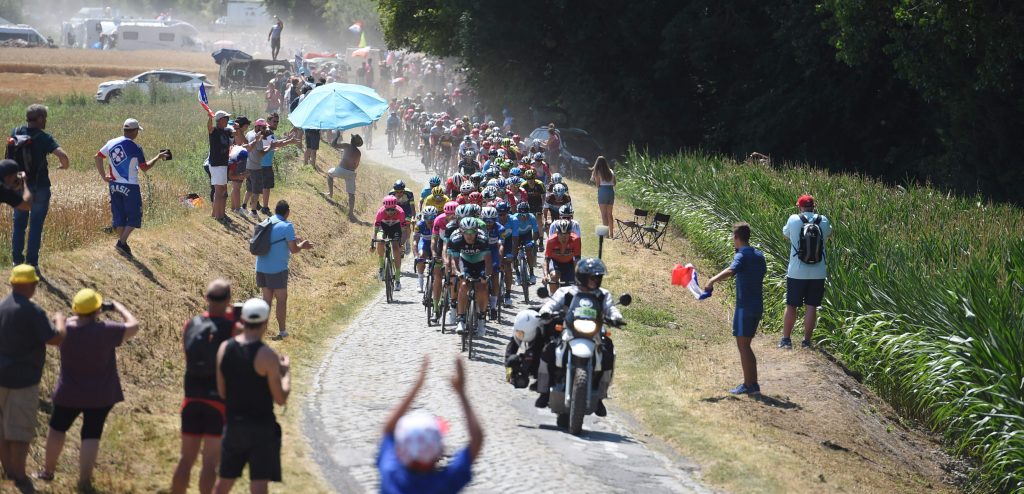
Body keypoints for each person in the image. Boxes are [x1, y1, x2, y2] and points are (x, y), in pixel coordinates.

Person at [38, 289, 139, 487]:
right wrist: (119, 307)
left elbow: (49, 333)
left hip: (69, 392)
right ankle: (84, 480)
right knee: (92, 433)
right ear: (97, 310)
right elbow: (134, 326)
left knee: (57, 428)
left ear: (75, 309)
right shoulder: (107, 330)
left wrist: (60, 318)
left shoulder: (65, 329)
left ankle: (47, 471)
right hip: (100, 394)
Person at [213, 298, 290, 493]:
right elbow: (281, 399)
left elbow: (222, 392)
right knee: (258, 485)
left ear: (243, 320)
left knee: (223, 482)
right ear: (265, 323)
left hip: (234, 425)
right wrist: (286, 375)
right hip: (261, 428)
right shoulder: (267, 356)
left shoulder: (224, 349)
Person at [0, 265, 66, 487]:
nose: (37, 287)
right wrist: (60, 322)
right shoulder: (32, 311)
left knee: (2, 427)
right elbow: (54, 339)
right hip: (23, 380)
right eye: (36, 284)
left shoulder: (1, 307)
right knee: (19, 430)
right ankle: (19, 476)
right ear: (27, 285)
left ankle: (8, 471)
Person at [171, 279, 239, 494]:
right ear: (228, 300)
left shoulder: (191, 324)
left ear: (206, 298)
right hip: (217, 402)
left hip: (191, 397)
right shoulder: (233, 328)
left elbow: (187, 356)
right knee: (210, 463)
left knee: (185, 460)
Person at [378, 356, 482, 494]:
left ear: (400, 449)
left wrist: (417, 385)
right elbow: (477, 439)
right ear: (439, 451)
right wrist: (461, 392)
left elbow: (387, 430)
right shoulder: (444, 484)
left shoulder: (390, 473)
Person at [536, 258, 622, 416]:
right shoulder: (567, 291)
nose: (596, 280)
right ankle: (544, 391)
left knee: (609, 352)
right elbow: (552, 303)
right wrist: (545, 311)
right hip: (569, 331)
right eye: (592, 277)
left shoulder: (603, 294)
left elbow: (611, 308)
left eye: (598, 277)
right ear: (581, 277)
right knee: (548, 349)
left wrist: (616, 317)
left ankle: (600, 396)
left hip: (594, 333)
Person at [704, 223, 767, 395]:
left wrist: (711, 280)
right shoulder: (759, 255)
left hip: (744, 307)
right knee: (746, 345)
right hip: (757, 305)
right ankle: (753, 384)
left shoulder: (742, 255)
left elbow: (731, 270)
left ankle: (749, 385)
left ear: (737, 238)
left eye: (733, 237)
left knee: (743, 346)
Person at [10, 104, 70, 274]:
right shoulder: (43, 138)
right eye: (45, 118)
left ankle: (16, 261)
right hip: (40, 187)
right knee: (35, 225)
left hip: (19, 187)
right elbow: (63, 156)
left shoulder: (15, 133)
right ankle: (32, 263)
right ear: (41, 119)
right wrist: (64, 166)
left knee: (19, 224)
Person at [95, 118, 168, 256]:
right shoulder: (136, 148)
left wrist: (104, 176)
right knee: (135, 216)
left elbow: (97, 157)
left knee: (119, 216)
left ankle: (123, 244)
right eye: (137, 131)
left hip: (114, 185)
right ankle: (121, 243)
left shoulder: (111, 142)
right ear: (134, 131)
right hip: (130, 186)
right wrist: (158, 157)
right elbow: (145, 167)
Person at [780, 194, 832, 349]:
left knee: (791, 306)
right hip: (818, 272)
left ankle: (786, 340)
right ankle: (806, 342)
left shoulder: (794, 219)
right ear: (814, 206)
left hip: (796, 272)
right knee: (811, 306)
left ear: (800, 207)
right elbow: (829, 234)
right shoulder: (823, 220)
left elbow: (785, 234)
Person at [256, 201, 313, 340]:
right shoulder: (287, 226)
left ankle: (261, 332)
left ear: (276, 210)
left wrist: (294, 240)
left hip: (261, 267)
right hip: (277, 269)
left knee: (266, 300)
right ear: (287, 212)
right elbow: (294, 249)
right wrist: (303, 245)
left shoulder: (267, 221)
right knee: (281, 300)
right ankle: (282, 332)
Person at [448, 216, 492, 336]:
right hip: (464, 262)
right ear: (461, 231)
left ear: (476, 231)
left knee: (482, 287)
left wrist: (486, 276)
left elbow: (488, 261)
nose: (469, 235)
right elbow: (454, 261)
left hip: (480, 262)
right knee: (463, 284)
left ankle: (482, 319)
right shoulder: (456, 238)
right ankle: (461, 319)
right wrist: (458, 273)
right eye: (466, 232)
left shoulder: (482, 239)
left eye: (472, 232)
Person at [257, 113, 298, 217]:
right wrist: (289, 141)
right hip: (265, 163)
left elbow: (275, 143)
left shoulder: (266, 131)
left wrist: (286, 140)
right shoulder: (268, 131)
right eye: (274, 121)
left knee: (260, 185)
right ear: (268, 121)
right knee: (266, 186)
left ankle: (255, 204)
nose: (276, 123)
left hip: (261, 162)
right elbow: (276, 144)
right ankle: (265, 208)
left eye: (277, 121)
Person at [372, 196, 409, 291]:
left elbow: (404, 231)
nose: (390, 212)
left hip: (396, 228)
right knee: (380, 241)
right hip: (383, 227)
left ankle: (397, 279)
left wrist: (402, 243)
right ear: (384, 207)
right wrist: (372, 242)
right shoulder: (380, 213)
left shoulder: (400, 212)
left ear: (395, 207)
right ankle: (381, 267)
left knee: (396, 247)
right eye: (388, 210)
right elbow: (376, 230)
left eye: (392, 209)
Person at [327, 134, 363, 216]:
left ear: (352, 140)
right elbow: (356, 164)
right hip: (351, 173)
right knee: (351, 194)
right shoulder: (358, 152)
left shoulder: (347, 146)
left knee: (329, 174)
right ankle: (350, 212)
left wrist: (337, 136)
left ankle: (330, 193)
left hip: (341, 170)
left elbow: (333, 145)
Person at [543, 220, 581, 294]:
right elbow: (546, 260)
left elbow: (577, 259)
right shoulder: (551, 241)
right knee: (554, 276)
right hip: (555, 262)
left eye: (566, 234)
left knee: (571, 286)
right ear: (557, 233)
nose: (563, 237)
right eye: (560, 234)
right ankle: (554, 299)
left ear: (570, 233)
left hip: (569, 263)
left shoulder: (576, 240)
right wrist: (545, 275)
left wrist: (578, 275)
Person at [208, 111, 233, 220]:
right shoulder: (214, 130)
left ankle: (216, 214)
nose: (227, 120)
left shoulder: (226, 131)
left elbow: (234, 134)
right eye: (226, 118)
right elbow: (209, 127)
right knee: (219, 190)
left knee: (222, 189)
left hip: (223, 164)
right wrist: (210, 118)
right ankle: (219, 217)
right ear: (220, 120)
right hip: (216, 164)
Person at [590, 156, 616, 238]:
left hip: (603, 192)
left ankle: (606, 234)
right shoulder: (611, 171)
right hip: (611, 192)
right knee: (609, 214)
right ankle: (612, 234)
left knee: (603, 215)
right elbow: (614, 183)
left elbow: (598, 185)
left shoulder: (598, 172)